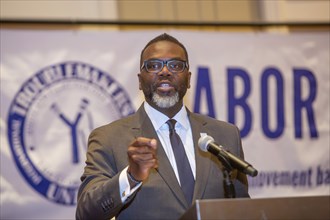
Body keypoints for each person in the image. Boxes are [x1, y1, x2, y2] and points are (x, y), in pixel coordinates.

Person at [76, 33, 250, 220]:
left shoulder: (225, 135)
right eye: (153, 66)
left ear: (189, 78)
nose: (165, 71)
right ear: (140, 80)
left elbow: (243, 209)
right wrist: (131, 176)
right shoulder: (108, 138)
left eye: (175, 65)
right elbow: (87, 213)